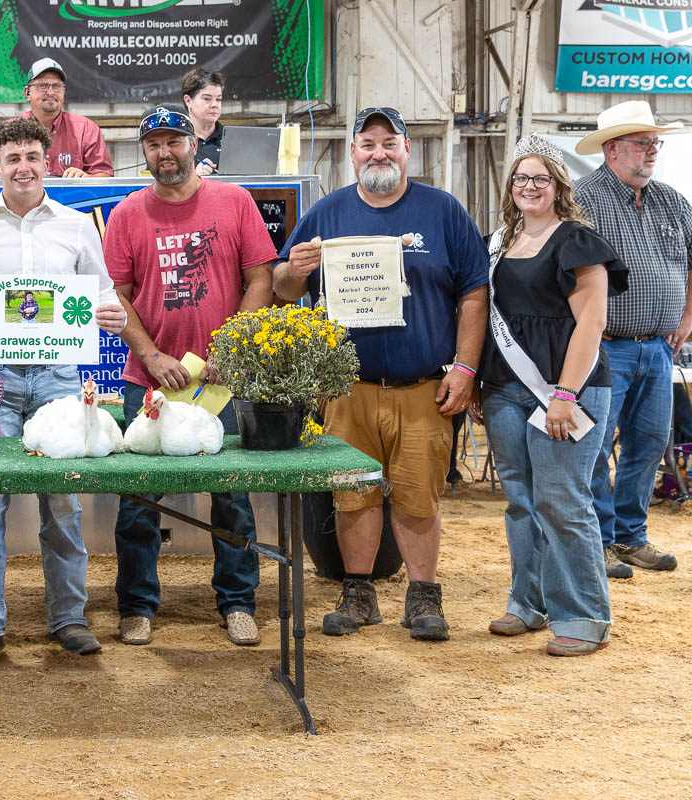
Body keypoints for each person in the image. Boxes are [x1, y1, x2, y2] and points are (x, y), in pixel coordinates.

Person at [272, 107, 488, 642]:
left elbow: (475, 294)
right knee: (353, 494)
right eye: (367, 143)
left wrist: (465, 368)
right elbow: (281, 288)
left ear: (407, 149)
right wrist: (293, 270)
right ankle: (359, 592)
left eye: (389, 142)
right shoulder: (327, 213)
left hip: (424, 387)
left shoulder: (444, 212)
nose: (379, 152)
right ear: (353, 153)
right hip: (347, 389)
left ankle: (423, 597)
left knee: (418, 495)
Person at [0, 116, 127, 664]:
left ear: (48, 162)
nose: (23, 167)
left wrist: (109, 314)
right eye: (12, 158)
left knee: (63, 500)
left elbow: (105, 296)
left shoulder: (77, 226)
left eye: (32, 157)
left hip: (61, 375)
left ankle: (68, 617)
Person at [104, 104, 274, 647]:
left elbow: (260, 277)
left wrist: (235, 343)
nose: (165, 152)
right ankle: (136, 605)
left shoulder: (234, 201)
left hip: (220, 380)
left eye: (174, 140)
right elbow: (116, 296)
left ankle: (238, 602)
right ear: (144, 153)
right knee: (140, 498)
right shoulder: (128, 213)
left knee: (231, 495)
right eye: (154, 144)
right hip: (149, 378)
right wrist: (151, 355)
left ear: (193, 145)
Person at [474, 134, 625, 657]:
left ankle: (584, 614)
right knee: (520, 499)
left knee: (562, 500)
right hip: (503, 389)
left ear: (559, 185)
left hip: (566, 389)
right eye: (521, 178)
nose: (529, 186)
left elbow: (593, 322)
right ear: (510, 186)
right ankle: (527, 601)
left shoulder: (577, 241)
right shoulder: (498, 243)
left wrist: (564, 393)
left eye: (540, 178)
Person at [573, 100, 691, 579]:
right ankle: (598, 540)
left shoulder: (671, 200)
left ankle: (630, 536)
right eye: (643, 143)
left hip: (659, 347)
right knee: (595, 446)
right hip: (604, 346)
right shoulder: (582, 199)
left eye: (655, 143)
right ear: (612, 148)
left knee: (648, 442)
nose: (652, 151)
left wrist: (687, 314)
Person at [20, 57, 113, 178]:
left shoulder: (86, 129)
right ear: (27, 92)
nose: (50, 92)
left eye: (56, 86)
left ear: (63, 91)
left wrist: (86, 178)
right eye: (42, 85)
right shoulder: (10, 130)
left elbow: (105, 176)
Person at [181, 68, 225, 177]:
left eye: (218, 99)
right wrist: (193, 179)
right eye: (207, 99)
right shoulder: (175, 139)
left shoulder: (233, 139)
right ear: (188, 101)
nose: (214, 104)